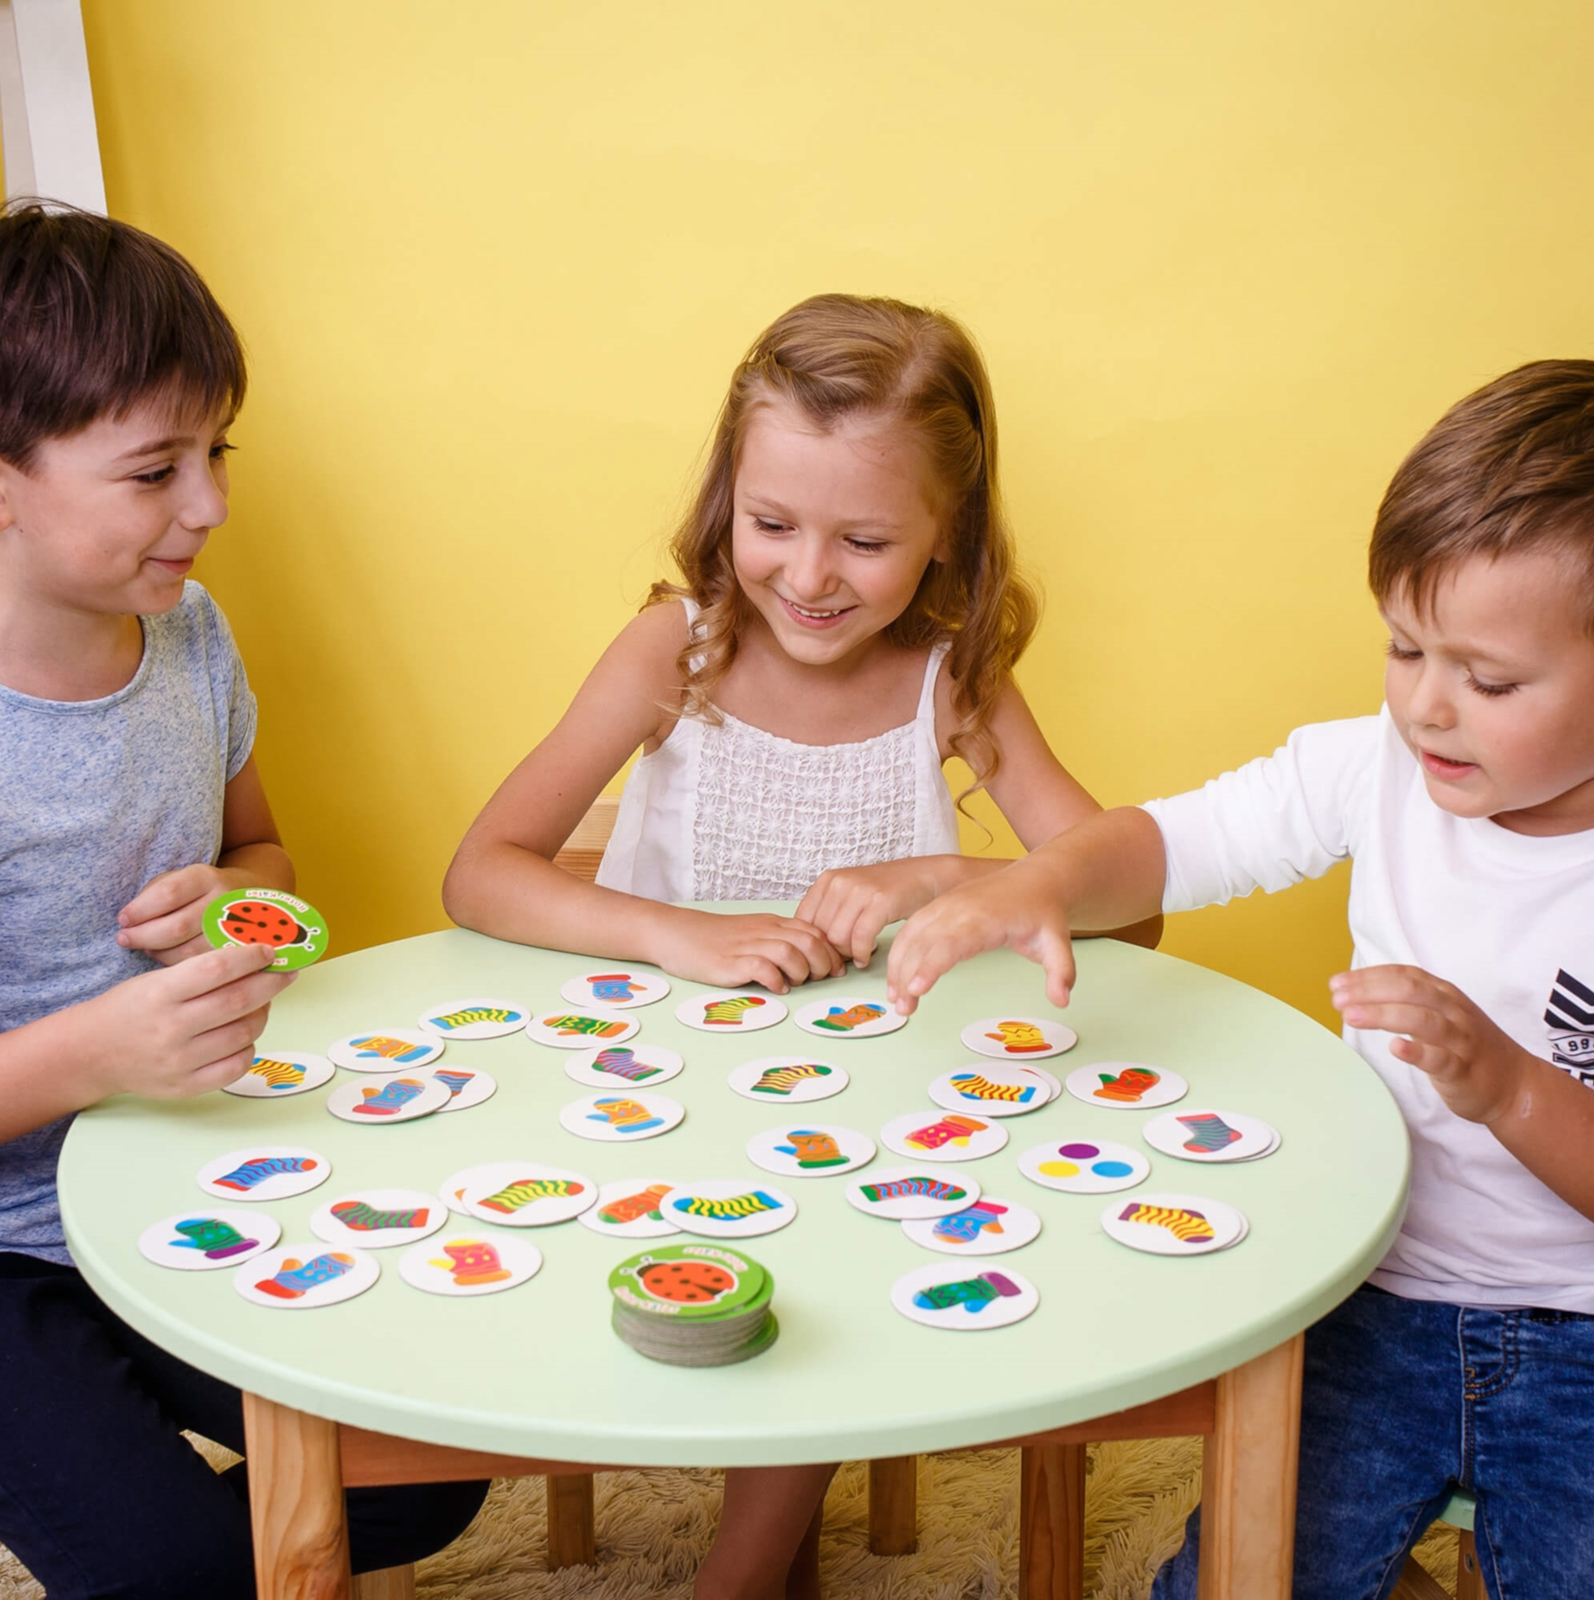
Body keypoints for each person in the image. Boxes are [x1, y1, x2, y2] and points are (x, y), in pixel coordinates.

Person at [445, 292, 1158, 1600]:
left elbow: (1130, 900)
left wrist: (945, 872)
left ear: (949, 535)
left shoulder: (955, 678)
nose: (810, 576)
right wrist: (682, 934)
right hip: (652, 1101)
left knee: (848, 1230)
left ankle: (746, 1568)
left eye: (868, 540)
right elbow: (481, 874)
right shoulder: (681, 647)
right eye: (772, 524)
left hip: (863, 1113)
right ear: (728, 500)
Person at [885, 359, 1594, 1599]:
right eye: (1403, 645)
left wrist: (1506, 1086)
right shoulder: (1373, 767)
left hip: (1588, 1339)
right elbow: (1176, 841)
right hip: (1370, 1293)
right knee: (1234, 1575)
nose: (1428, 707)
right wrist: (1039, 883)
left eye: (1489, 680)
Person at [0, 202, 485, 1599]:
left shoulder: (193, 639)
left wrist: (228, 899)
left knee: (440, 1469)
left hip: (179, 1173)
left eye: (218, 454)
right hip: (4, 1251)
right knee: (171, 1569)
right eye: (156, 469)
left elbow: (271, 862)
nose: (210, 505)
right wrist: (103, 1049)